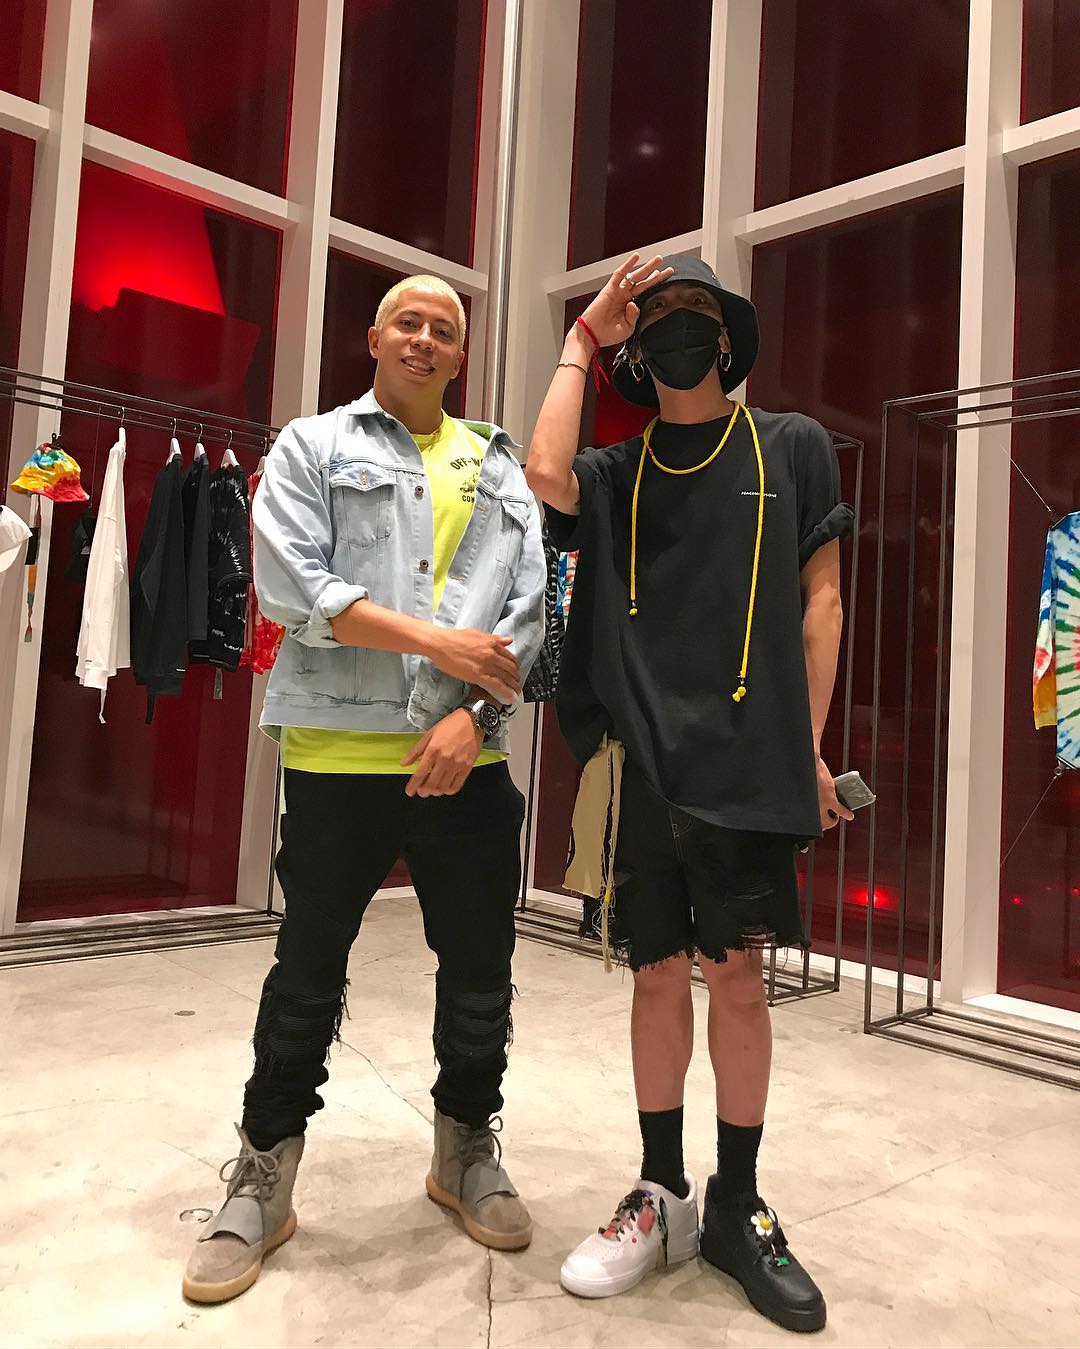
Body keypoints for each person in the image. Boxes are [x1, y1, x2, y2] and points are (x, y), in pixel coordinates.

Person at [183, 274, 547, 1304]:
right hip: (338, 756)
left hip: (465, 759)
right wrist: (438, 644)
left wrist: (475, 717)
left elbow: (526, 615)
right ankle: (264, 1172)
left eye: (446, 328)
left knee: (479, 968)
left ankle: (464, 1147)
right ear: (375, 337)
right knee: (307, 967)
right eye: (409, 322)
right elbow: (292, 588)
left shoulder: (498, 465)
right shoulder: (312, 447)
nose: (426, 338)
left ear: (461, 354)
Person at [525, 253, 854, 1333]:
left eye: (692, 310)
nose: (673, 324)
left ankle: (737, 1205)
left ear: (725, 335)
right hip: (641, 767)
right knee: (657, 975)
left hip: (748, 762)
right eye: (655, 313)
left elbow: (821, 602)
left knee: (740, 978)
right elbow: (542, 471)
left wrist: (805, 750)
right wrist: (582, 339)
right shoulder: (617, 472)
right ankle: (661, 1192)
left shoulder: (790, 445)